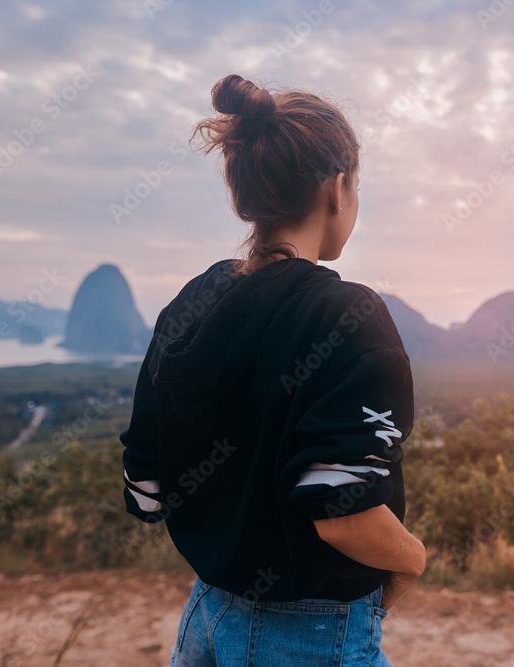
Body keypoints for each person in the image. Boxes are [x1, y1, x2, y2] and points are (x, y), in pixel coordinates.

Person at [119, 74, 426, 666]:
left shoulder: (191, 302)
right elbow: (338, 507)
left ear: (245, 196)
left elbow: (147, 490)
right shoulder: (349, 316)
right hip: (310, 635)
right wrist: (412, 559)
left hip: (206, 617)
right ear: (339, 189)